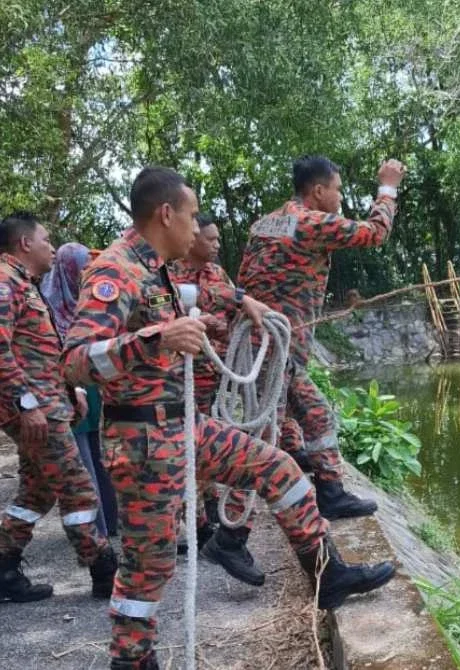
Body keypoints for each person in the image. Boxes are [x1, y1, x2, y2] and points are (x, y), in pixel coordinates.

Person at [61, 167, 395, 670]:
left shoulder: (157, 268)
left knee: (280, 469)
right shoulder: (115, 271)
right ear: (167, 214)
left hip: (182, 427)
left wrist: (244, 300)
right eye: (193, 216)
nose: (198, 229)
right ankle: (131, 660)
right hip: (143, 441)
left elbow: (202, 292)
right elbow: (74, 361)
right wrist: (157, 339)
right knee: (148, 568)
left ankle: (327, 575)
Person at [238, 156, 405, 520]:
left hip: (265, 345)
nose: (340, 197)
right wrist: (388, 187)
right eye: (337, 190)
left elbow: (245, 281)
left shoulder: (264, 224)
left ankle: (326, 489)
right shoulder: (309, 221)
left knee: (311, 415)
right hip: (276, 349)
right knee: (266, 438)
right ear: (317, 191)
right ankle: (233, 532)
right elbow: (375, 233)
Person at [0, 213, 117, 603]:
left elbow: (39, 354)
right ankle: (104, 570)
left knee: (37, 491)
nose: (51, 247)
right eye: (46, 240)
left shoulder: (24, 284)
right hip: (36, 410)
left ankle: (4, 567)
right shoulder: (5, 282)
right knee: (78, 489)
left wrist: (71, 392)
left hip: (46, 404)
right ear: (25, 244)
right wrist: (26, 404)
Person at [169, 213, 261, 586]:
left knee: (206, 452)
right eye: (210, 239)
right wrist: (217, 319)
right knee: (191, 452)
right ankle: (196, 526)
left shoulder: (217, 274)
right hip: (183, 379)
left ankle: (207, 520)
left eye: (218, 239)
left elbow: (232, 312)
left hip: (217, 375)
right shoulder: (170, 275)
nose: (216, 244)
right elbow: (180, 317)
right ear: (192, 240)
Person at [41, 242, 118, 537]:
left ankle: (113, 522)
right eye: (83, 267)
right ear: (68, 270)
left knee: (104, 459)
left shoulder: (91, 305)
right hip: (70, 393)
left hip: (97, 390)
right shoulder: (50, 307)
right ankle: (96, 534)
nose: (88, 273)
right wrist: (75, 389)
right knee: (83, 464)